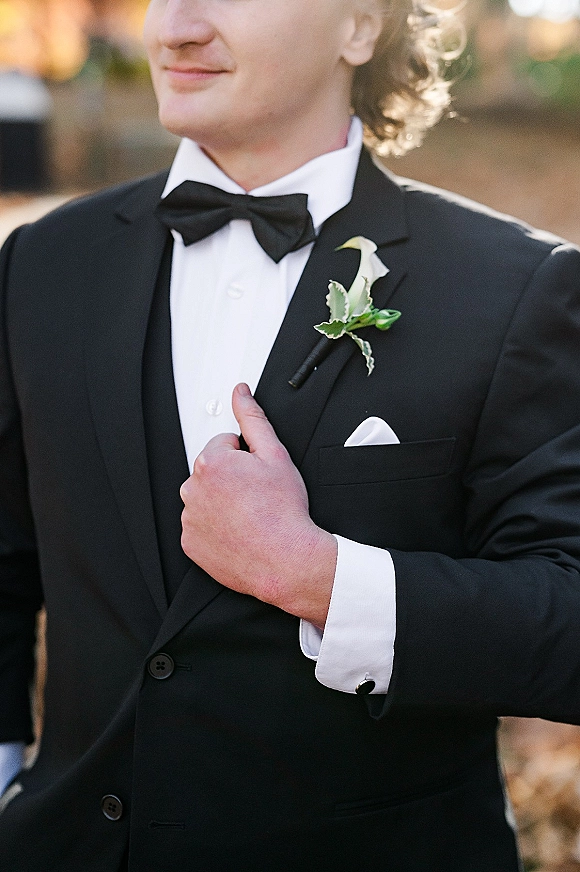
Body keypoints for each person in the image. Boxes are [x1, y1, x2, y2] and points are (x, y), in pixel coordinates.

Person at [1, 0, 579, 869]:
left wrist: (325, 579)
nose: (174, 28)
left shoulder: (516, 288)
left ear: (360, 26)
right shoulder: (41, 263)